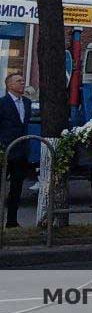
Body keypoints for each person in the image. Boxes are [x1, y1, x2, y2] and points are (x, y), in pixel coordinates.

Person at [1, 72, 33, 229]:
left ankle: (12, 221)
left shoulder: (26, 103)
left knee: (16, 188)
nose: (22, 83)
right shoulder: (2, 103)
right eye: (19, 81)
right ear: (10, 85)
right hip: (5, 151)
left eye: (22, 80)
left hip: (20, 152)